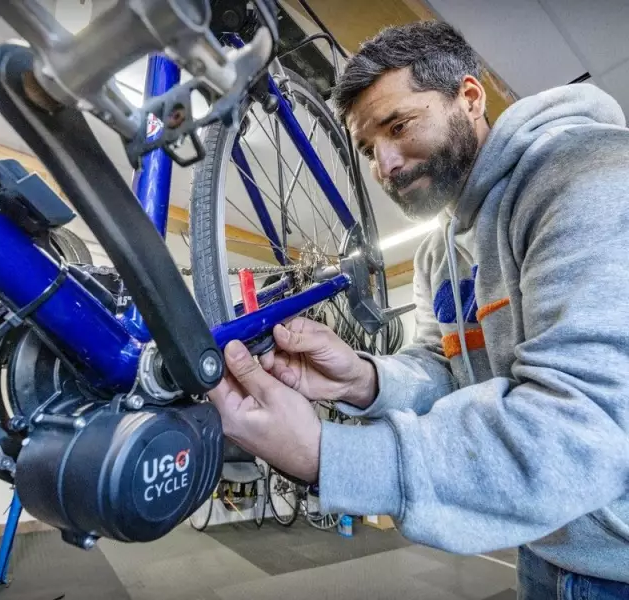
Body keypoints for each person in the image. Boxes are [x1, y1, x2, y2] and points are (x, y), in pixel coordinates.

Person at [207, 21, 629, 599]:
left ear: (470, 97)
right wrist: (363, 377)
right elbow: (443, 365)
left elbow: (584, 428)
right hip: (544, 541)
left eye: (399, 126)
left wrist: (332, 457)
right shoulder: (440, 248)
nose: (385, 166)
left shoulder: (589, 178)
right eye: (368, 149)